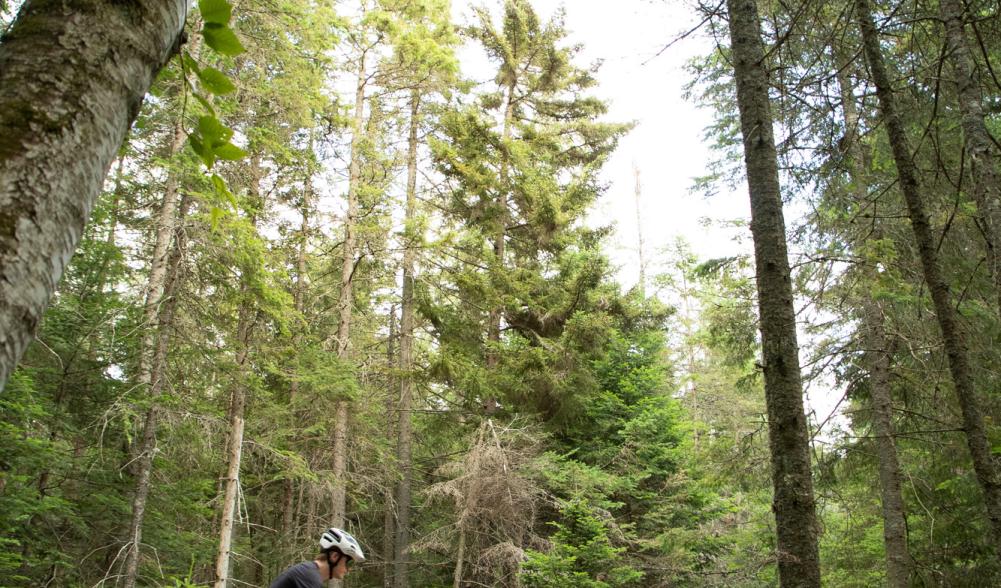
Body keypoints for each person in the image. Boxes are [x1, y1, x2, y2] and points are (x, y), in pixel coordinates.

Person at [269, 527, 366, 587]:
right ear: (335, 556)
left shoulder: (310, 573)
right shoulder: (309, 576)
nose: (348, 569)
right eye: (348, 563)